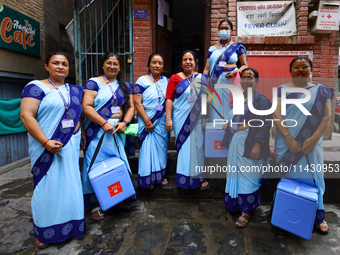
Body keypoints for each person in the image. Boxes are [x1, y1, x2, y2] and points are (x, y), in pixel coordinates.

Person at [20, 52, 85, 248]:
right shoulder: (35, 88)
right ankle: (44, 231)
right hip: (46, 148)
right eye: (55, 63)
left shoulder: (73, 90)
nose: (60, 66)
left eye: (64, 63)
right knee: (47, 188)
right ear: (47, 66)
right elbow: (27, 116)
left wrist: (79, 134)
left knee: (69, 185)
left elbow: (76, 115)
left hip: (69, 147)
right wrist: (45, 141)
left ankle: (72, 225)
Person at [273, 56, 333, 235]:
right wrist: (289, 139)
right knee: (288, 177)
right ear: (290, 71)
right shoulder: (281, 90)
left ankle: (317, 216)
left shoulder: (322, 91)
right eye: (296, 67)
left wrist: (314, 138)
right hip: (286, 144)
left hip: (311, 145)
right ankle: (286, 212)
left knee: (314, 177)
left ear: (311, 69)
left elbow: (326, 118)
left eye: (304, 66)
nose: (300, 69)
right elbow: (276, 115)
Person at [81, 52, 134, 220]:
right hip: (97, 132)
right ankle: (95, 203)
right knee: (94, 165)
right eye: (109, 63)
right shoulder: (94, 83)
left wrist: (125, 122)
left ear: (120, 67)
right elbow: (86, 106)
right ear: (103, 65)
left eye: (116, 64)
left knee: (116, 164)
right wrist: (103, 123)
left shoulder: (125, 85)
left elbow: (131, 107)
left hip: (117, 132)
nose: (112, 66)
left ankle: (117, 197)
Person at [221, 68, 272, 228]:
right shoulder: (239, 99)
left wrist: (257, 145)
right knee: (236, 174)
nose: (246, 80)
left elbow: (265, 125)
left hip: (250, 144)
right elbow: (238, 119)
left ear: (256, 81)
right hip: (236, 143)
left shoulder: (261, 101)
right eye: (244, 77)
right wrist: (229, 125)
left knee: (249, 177)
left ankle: (247, 210)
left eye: (250, 78)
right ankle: (236, 203)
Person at [165, 50, 209, 189]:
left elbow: (207, 99)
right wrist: (168, 119)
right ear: (181, 63)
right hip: (180, 118)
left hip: (197, 118)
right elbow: (169, 99)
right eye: (185, 59)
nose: (188, 62)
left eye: (190, 59)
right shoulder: (174, 78)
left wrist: (204, 117)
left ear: (195, 62)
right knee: (184, 147)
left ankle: (199, 177)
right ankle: (184, 178)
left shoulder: (203, 78)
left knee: (198, 147)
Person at [134, 54, 168, 189]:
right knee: (147, 148)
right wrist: (147, 121)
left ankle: (160, 176)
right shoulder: (142, 81)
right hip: (146, 119)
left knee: (161, 149)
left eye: (160, 63)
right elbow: (137, 102)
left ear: (163, 66)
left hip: (161, 120)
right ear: (148, 65)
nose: (157, 65)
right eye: (154, 62)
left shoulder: (167, 81)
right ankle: (147, 178)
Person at [203, 19, 247, 123]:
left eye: (226, 28)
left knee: (230, 108)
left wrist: (236, 72)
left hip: (231, 83)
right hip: (215, 82)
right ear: (218, 31)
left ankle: (230, 136)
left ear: (231, 30)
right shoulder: (212, 49)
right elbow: (206, 69)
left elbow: (245, 65)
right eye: (221, 28)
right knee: (216, 109)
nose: (224, 31)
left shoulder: (237, 47)